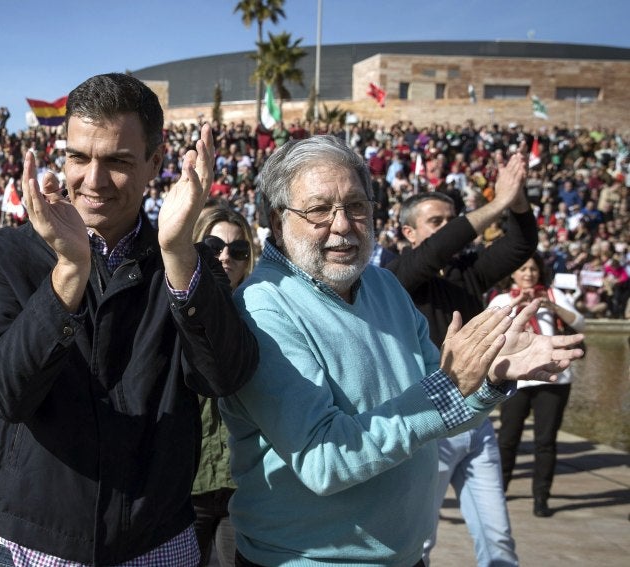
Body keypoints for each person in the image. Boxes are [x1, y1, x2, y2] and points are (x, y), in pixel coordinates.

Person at [219, 135, 583, 567]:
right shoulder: (263, 308)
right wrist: (449, 387)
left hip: (407, 556)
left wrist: (491, 376)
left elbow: (443, 414)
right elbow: (325, 460)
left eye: (356, 206)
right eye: (319, 210)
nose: (342, 224)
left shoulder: (383, 286)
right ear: (278, 223)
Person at [0, 73, 258, 565]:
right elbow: (1, 392)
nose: (92, 181)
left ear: (154, 165)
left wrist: (180, 253)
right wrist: (69, 272)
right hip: (34, 541)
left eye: (117, 161)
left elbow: (226, 376)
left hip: (158, 540)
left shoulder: (188, 260)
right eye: (79, 157)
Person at [386, 151, 536, 567]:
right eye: (437, 221)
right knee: (419, 543)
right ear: (408, 232)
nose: (451, 229)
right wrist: (496, 205)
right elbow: (433, 253)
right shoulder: (394, 277)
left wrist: (517, 200)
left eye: (453, 218)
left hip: (478, 420)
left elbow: (522, 244)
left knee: (498, 537)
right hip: (429, 424)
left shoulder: (467, 274)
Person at [489, 253, 585, 518]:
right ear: (514, 273)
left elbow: (580, 323)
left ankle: (541, 497)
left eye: (533, 269)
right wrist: (516, 305)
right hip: (515, 380)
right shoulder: (502, 299)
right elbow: (487, 330)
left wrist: (552, 307)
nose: (529, 274)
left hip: (554, 379)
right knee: (508, 439)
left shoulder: (553, 295)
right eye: (523, 269)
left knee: (546, 441)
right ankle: (499, 490)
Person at [190, 205, 257, 567]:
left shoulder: (266, 313)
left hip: (244, 483)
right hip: (186, 482)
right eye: (214, 245)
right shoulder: (172, 307)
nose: (226, 257)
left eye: (238, 250)